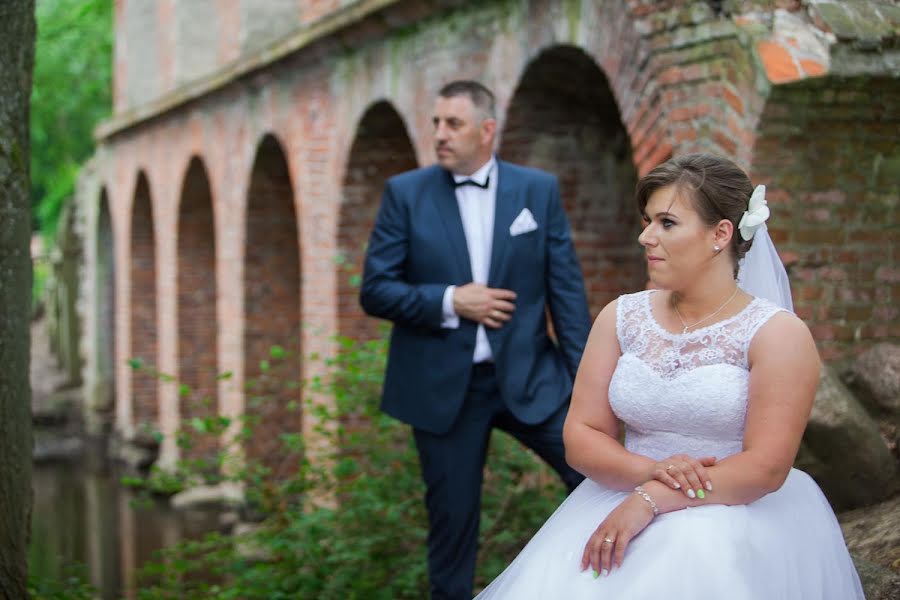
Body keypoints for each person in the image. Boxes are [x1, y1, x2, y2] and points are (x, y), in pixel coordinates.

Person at [474, 153, 864, 599]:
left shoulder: (776, 334)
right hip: (617, 491)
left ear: (720, 235)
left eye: (666, 223)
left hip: (734, 512)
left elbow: (766, 467)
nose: (646, 237)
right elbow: (581, 436)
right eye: (647, 221)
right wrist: (649, 472)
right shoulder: (620, 317)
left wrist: (652, 500)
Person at [359, 80, 592, 600]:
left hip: (533, 377)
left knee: (597, 477)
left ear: (487, 130)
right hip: (445, 391)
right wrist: (449, 301)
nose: (440, 134)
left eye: (453, 124)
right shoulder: (406, 194)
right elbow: (374, 291)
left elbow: (568, 295)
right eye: (437, 123)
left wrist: (589, 384)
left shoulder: (537, 191)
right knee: (453, 529)